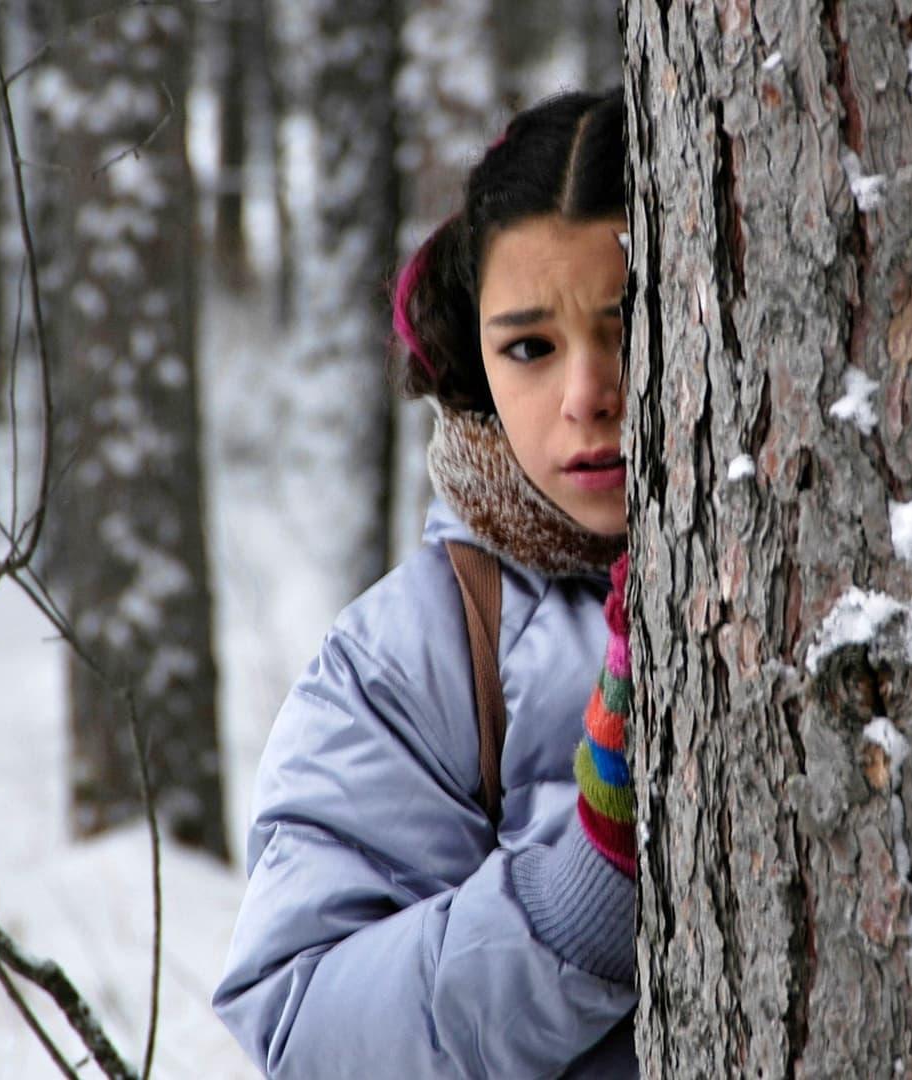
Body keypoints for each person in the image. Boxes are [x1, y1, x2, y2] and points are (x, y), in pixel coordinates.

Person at [212, 90, 640, 1078]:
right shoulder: (408, 657)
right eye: (530, 347)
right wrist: (584, 893)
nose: (586, 397)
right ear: (476, 364)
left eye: (627, 324)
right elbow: (303, 1028)